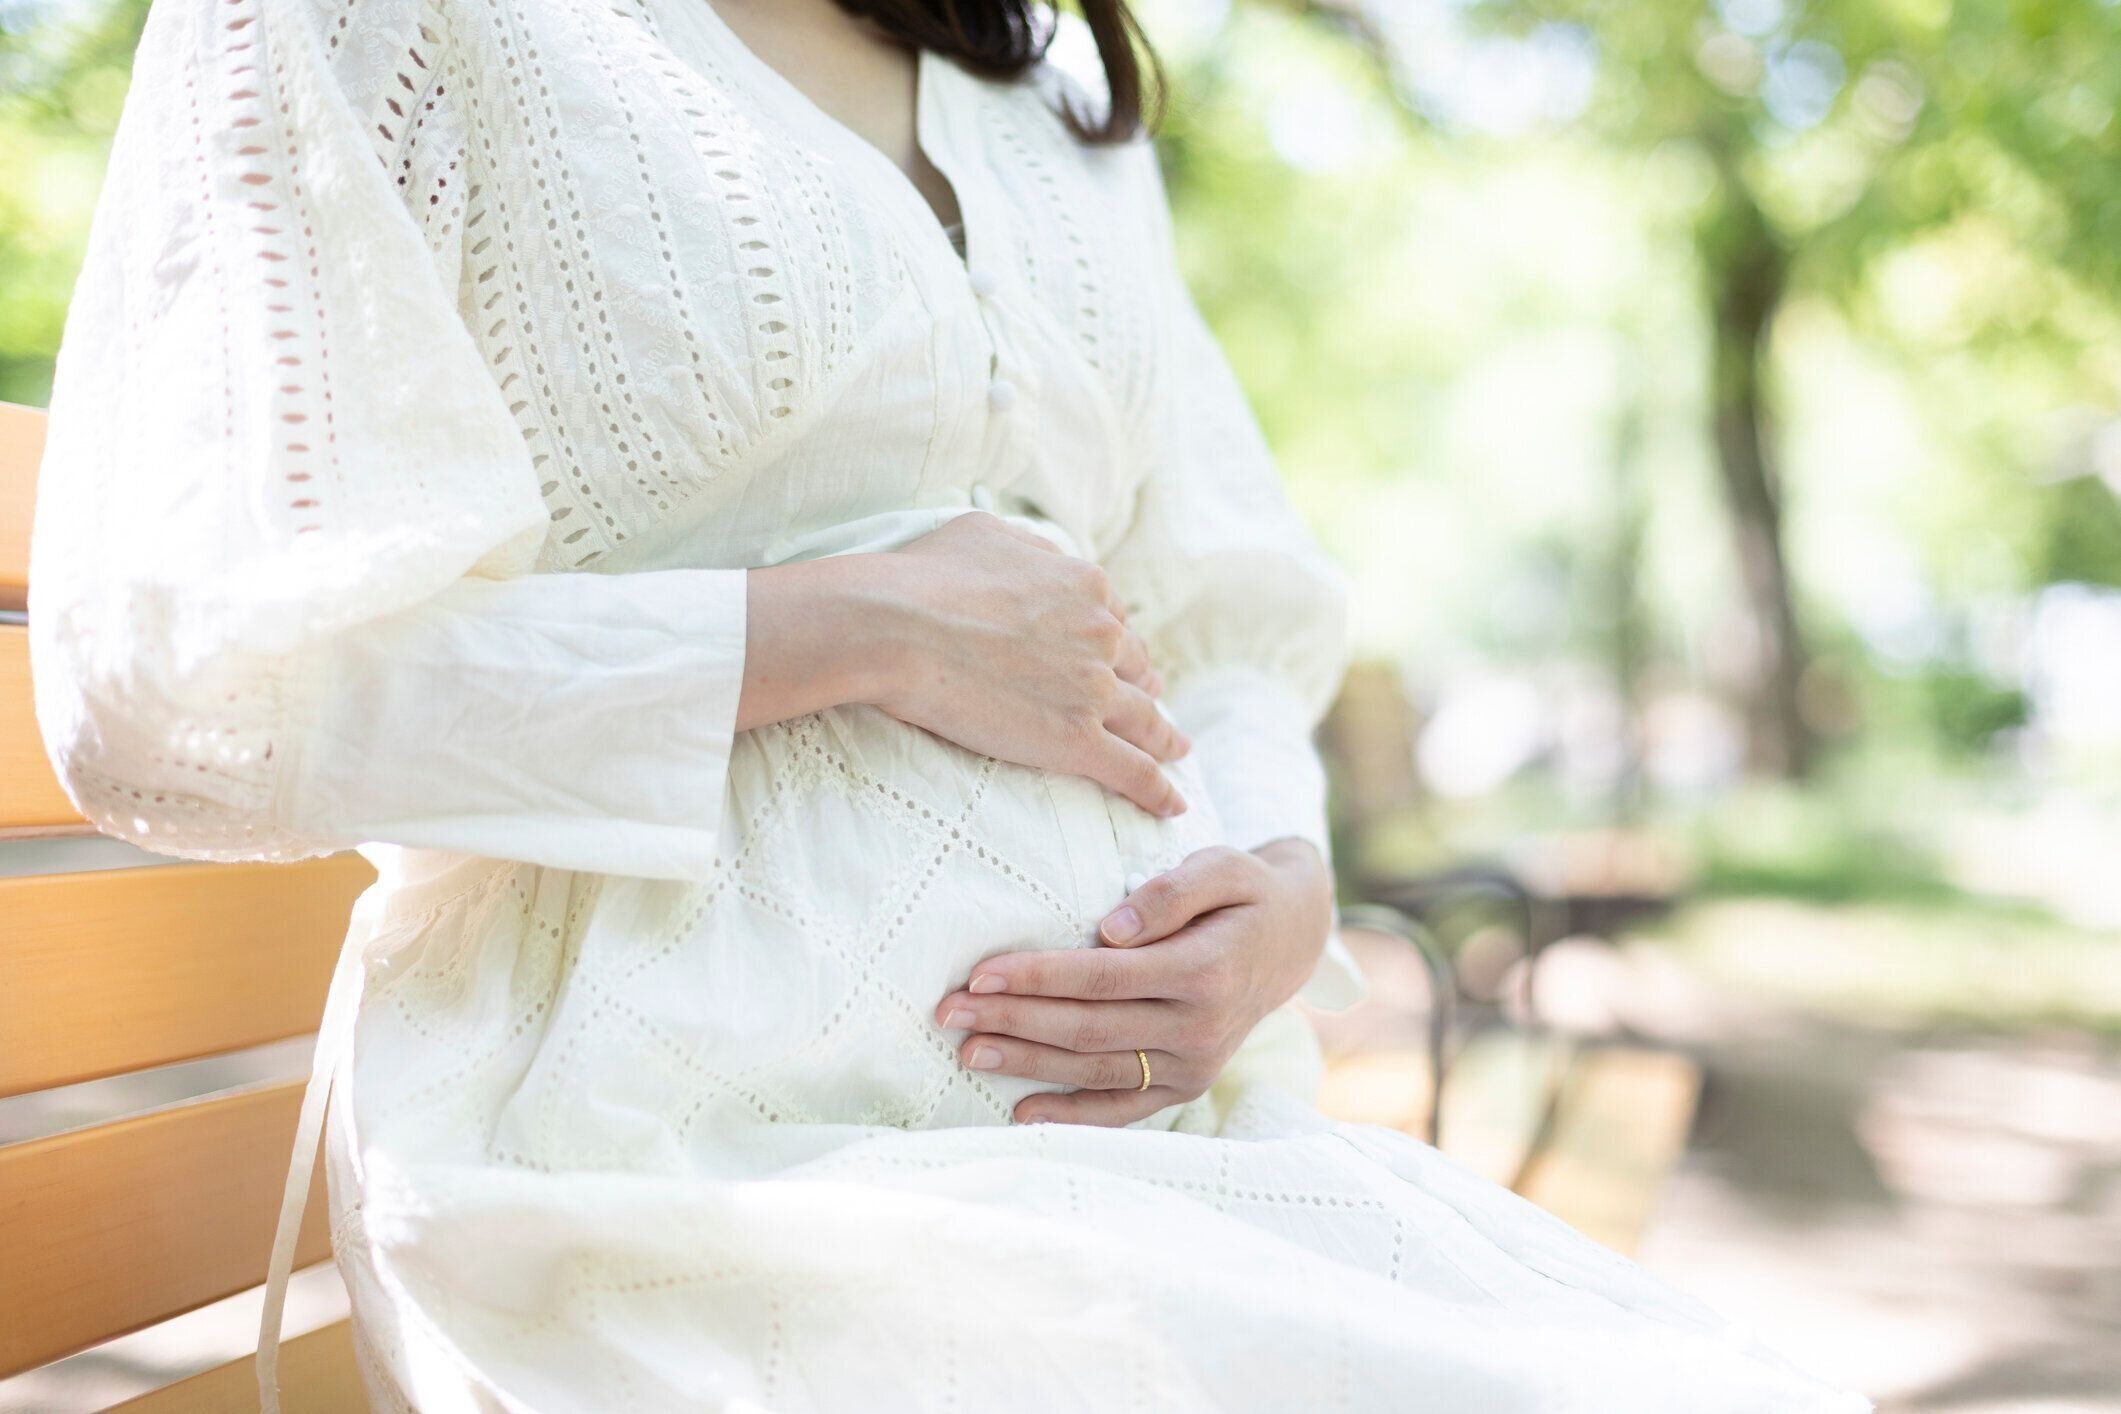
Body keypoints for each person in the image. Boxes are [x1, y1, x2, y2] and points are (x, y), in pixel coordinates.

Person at [27, 0, 1869, 1408]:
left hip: (1170, 1143)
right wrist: (839, 632)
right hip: (670, 1151)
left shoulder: (1039, 99)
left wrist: (1275, 881)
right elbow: (179, 688)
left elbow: (1221, 609)